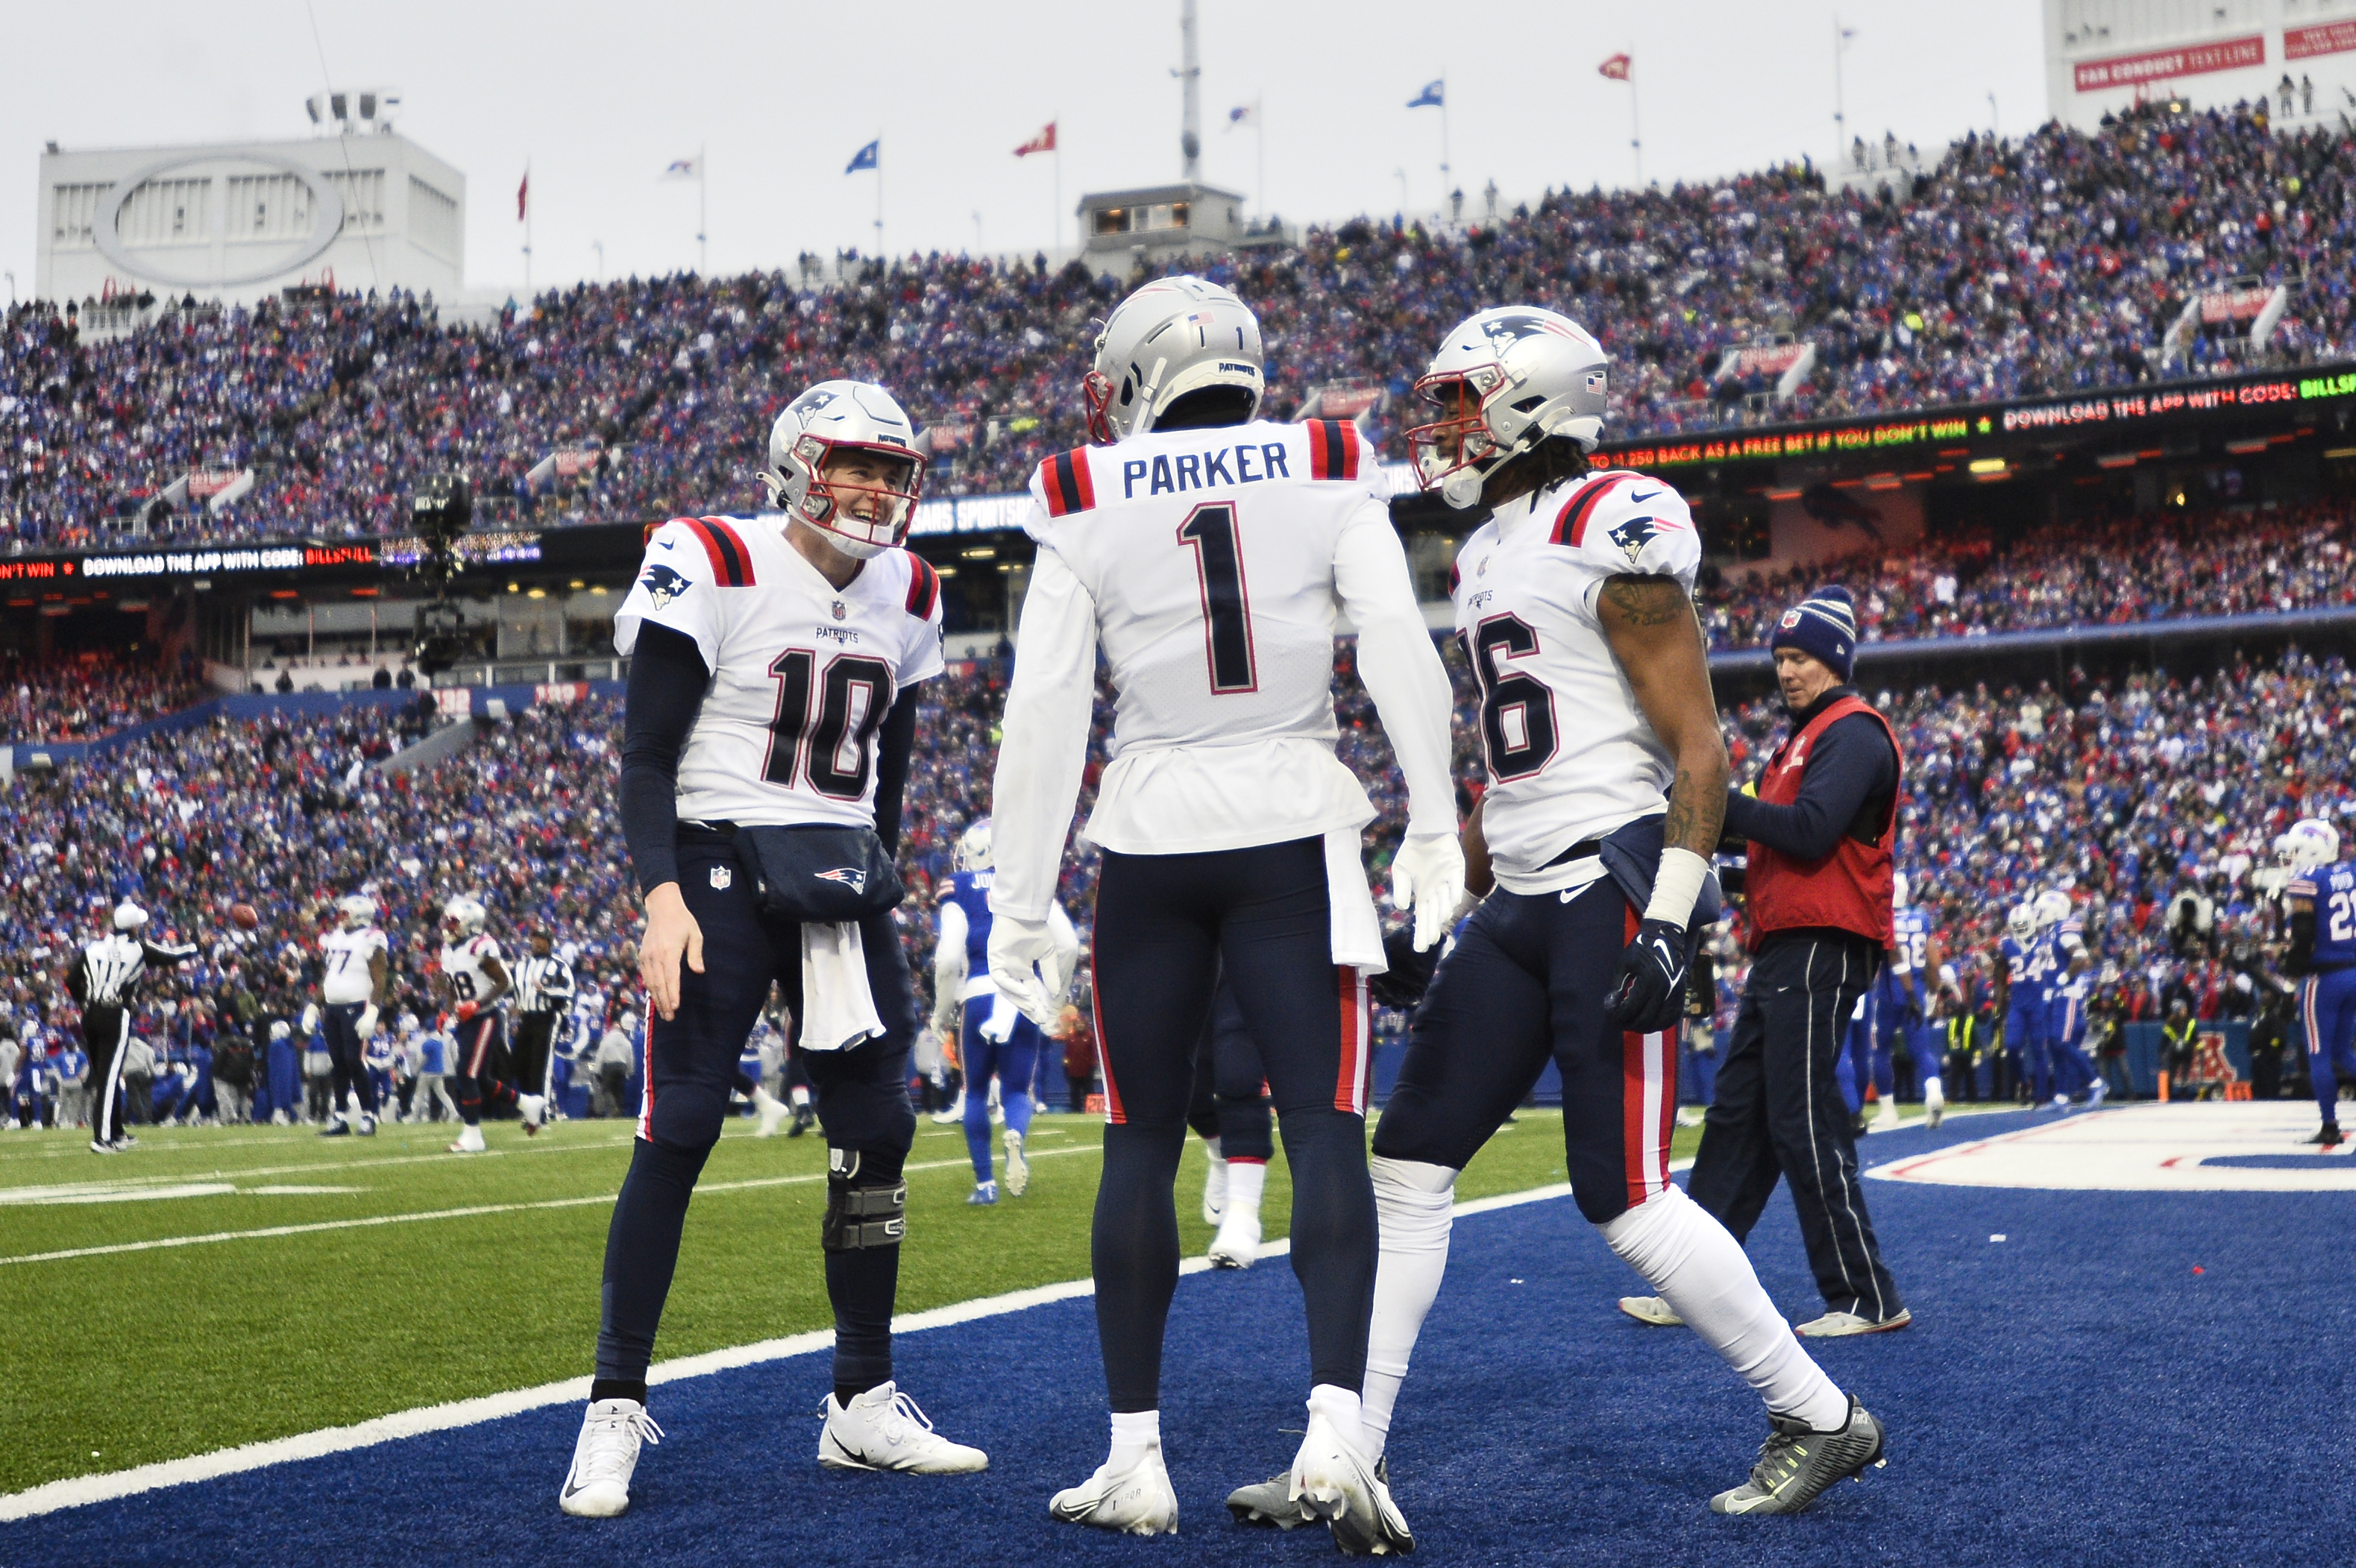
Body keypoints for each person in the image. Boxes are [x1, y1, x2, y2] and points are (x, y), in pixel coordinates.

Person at [1289, 308, 1879, 1533]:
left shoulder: (1602, 518)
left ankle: (1819, 1414)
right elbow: (1519, 757)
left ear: (1527, 404)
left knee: (1622, 1194)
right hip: (1517, 893)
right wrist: (1437, 884)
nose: (1441, 424)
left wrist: (1667, 919)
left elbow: (1701, 753)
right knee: (1404, 1161)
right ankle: (1356, 1455)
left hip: (1609, 881)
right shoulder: (1484, 550)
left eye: (1461, 400)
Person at [987, 276, 1463, 1547]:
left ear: (1138, 370)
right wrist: (1430, 817)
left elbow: (1043, 706)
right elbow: (1394, 640)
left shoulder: (1085, 488)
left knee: (1139, 1143)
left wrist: (1018, 900)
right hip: (1293, 821)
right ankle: (1330, 1434)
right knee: (1321, 1128)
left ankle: (1135, 1457)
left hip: (1147, 832)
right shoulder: (1322, 458)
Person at [559, 379, 984, 1520]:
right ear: (795, 462)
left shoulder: (912, 586)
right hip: (711, 859)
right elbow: (645, 756)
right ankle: (610, 1405)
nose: (875, 490)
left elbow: (886, 773)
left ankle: (861, 1398)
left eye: (893, 473)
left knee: (876, 1127)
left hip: (833, 868)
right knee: (684, 1117)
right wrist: (657, 893)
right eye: (854, 465)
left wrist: (878, 882)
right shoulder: (712, 554)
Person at [1655, 585, 1911, 1339]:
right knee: (1739, 1118)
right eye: (1779, 657)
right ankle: (1697, 1284)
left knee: (1800, 1117)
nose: (1785, 671)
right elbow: (1782, 849)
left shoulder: (1854, 732)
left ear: (1833, 659)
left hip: (1824, 946)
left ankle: (1866, 1294)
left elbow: (1807, 832)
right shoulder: (1802, 738)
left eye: (1798, 657)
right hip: (1787, 945)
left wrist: (1711, 802)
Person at [929, 818, 1079, 1204]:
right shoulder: (1031, 883)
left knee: (975, 1092)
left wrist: (941, 1012)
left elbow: (947, 958)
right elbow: (1067, 945)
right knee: (1017, 1091)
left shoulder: (959, 887)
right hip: (1023, 995)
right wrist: (1054, 1000)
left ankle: (985, 1184)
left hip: (979, 993)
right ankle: (1015, 1135)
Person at [69, 899, 197, 1153]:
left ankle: (116, 1131)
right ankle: (102, 1137)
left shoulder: (93, 948)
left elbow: (72, 981)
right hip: (115, 1014)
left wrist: (83, 1002)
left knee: (109, 1075)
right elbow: (173, 956)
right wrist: (197, 945)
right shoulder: (138, 948)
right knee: (108, 1076)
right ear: (133, 926)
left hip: (91, 1014)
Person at [2279, 818, 2356, 1145]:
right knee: (2343, 1050)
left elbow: (2303, 940)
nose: (2293, 856)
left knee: (2319, 1053)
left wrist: (2287, 986)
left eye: (2297, 849)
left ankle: (2329, 1126)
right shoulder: (2350, 872)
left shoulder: (2308, 880)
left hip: (2324, 977)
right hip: (2353, 971)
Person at [1191, 977, 1275, 1268]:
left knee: (1239, 1070)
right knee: (1184, 1082)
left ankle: (1243, 1214)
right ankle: (1219, 1154)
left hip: (1247, 943)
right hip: (1183, 945)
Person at [439, 895, 512, 1154]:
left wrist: (477, 1005)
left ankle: (473, 1135)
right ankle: (527, 1104)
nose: (448, 926)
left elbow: (505, 982)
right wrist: (446, 1011)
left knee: (466, 1074)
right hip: (464, 1018)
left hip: (486, 1017)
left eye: (454, 921)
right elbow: (452, 985)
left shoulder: (480, 946)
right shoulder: (448, 949)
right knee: (480, 1078)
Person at [315, 894, 389, 1137]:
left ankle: (368, 1116)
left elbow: (380, 979)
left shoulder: (371, 938)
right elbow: (329, 974)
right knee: (338, 1063)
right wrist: (314, 1006)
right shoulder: (335, 936)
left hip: (357, 1006)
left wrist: (373, 1012)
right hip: (333, 1007)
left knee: (354, 1061)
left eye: (345, 914)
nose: (340, 918)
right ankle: (340, 1117)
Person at [510, 926, 579, 1136]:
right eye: (535, 939)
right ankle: (529, 1109)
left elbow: (568, 990)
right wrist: (516, 1010)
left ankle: (541, 1113)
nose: (538, 943)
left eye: (542, 940)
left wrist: (546, 990)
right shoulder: (522, 966)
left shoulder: (559, 966)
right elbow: (515, 990)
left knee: (540, 1066)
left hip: (547, 1018)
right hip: (526, 1018)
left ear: (550, 943)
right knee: (520, 1064)